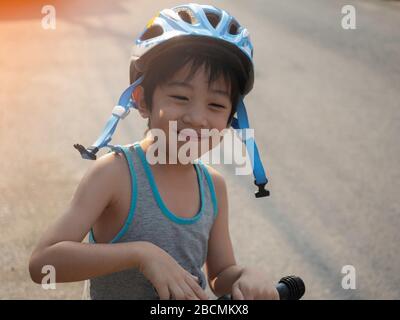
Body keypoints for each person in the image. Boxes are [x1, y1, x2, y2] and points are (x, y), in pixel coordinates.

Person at [29, 3, 277, 300]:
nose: (198, 117)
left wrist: (247, 275)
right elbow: (44, 263)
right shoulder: (114, 174)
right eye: (180, 97)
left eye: (216, 105)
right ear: (141, 100)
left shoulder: (214, 187)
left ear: (231, 118)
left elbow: (219, 276)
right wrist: (141, 255)